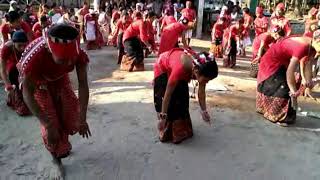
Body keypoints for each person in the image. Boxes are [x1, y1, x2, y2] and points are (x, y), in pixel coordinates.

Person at [17, 24, 91, 179]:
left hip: (60, 79)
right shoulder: (34, 58)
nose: (69, 63)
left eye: (72, 59)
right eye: (63, 59)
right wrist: (47, 124)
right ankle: (55, 158)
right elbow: (27, 94)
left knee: (71, 116)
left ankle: (63, 145)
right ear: (50, 51)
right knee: (51, 124)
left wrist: (82, 118)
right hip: (38, 83)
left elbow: (83, 84)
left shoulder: (78, 54)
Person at [154, 48, 218, 143]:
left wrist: (204, 111)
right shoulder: (179, 70)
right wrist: (163, 118)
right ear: (196, 71)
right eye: (206, 80)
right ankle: (167, 130)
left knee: (182, 99)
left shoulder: (201, 65)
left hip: (180, 68)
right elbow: (167, 95)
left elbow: (201, 92)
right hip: (162, 67)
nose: (206, 82)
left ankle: (181, 128)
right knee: (171, 102)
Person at [256, 33, 319, 126]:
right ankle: (275, 115)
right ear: (317, 41)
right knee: (284, 89)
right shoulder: (301, 47)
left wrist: (308, 81)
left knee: (292, 85)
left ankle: (283, 114)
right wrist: (293, 91)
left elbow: (307, 62)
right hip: (271, 62)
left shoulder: (312, 46)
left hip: (282, 62)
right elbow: (290, 71)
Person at [0, 30, 30, 116]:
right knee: (13, 71)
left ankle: (22, 92)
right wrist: (8, 86)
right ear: (13, 43)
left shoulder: (28, 46)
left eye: (24, 45)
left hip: (21, 62)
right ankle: (15, 94)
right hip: (11, 65)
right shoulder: (5, 48)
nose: (22, 48)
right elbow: (2, 69)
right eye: (19, 45)